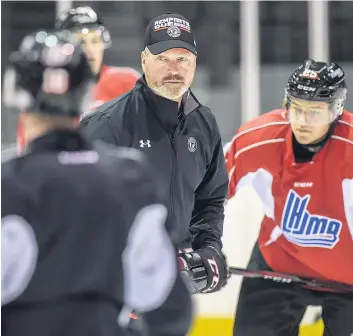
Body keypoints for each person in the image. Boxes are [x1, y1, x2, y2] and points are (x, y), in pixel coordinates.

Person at [1, 30, 193, 336]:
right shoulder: (130, 178)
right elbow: (168, 309)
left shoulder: (8, 184)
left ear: (18, 93)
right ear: (85, 94)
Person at [80, 12, 229, 297]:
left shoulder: (204, 123)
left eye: (182, 59)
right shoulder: (108, 124)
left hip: (171, 289)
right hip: (113, 289)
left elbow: (209, 199)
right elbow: (82, 210)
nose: (173, 69)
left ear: (195, 64)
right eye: (163, 59)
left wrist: (208, 247)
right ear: (144, 61)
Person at [225, 59, 353, 336]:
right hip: (279, 267)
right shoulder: (259, 138)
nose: (303, 121)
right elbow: (206, 193)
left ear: (336, 110)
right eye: (297, 109)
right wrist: (197, 243)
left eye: (315, 112)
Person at [15, 6, 140, 152]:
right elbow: (29, 150)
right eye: (80, 42)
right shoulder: (47, 91)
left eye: (95, 41)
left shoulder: (128, 82)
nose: (89, 49)